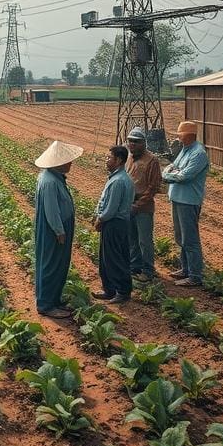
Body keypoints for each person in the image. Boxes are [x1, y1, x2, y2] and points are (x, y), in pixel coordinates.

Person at [33, 140, 84, 319]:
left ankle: (54, 299)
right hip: (53, 230)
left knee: (58, 264)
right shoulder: (50, 182)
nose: (71, 163)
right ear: (58, 163)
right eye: (68, 161)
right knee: (51, 264)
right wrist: (59, 231)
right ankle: (46, 305)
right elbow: (52, 209)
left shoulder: (52, 177)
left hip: (56, 228)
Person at [162, 120, 210, 287]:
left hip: (188, 201)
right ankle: (185, 269)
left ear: (189, 135)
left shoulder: (198, 154)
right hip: (177, 198)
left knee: (190, 239)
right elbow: (171, 167)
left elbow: (184, 176)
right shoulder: (185, 150)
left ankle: (195, 275)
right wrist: (172, 172)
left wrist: (167, 176)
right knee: (180, 237)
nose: (178, 138)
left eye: (180, 135)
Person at [92, 145, 135, 304]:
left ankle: (122, 291)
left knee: (114, 258)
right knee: (107, 258)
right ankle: (109, 289)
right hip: (116, 223)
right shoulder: (119, 178)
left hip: (114, 223)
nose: (106, 160)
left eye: (109, 158)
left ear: (118, 160)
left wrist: (100, 219)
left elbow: (111, 208)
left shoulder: (118, 181)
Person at [125, 127, 162, 282]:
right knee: (132, 238)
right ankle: (135, 267)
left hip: (143, 207)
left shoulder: (151, 160)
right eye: (130, 141)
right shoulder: (129, 158)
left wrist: (138, 205)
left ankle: (148, 270)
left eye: (136, 142)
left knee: (144, 240)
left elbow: (153, 187)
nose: (132, 144)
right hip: (129, 205)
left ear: (144, 143)